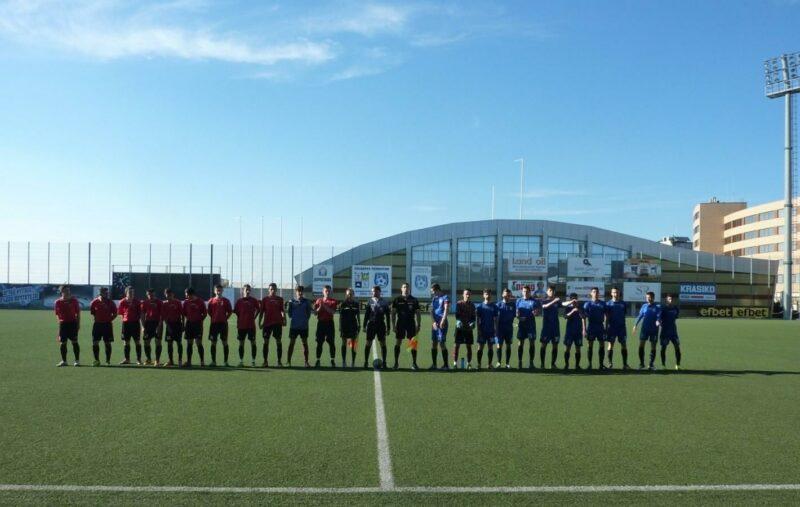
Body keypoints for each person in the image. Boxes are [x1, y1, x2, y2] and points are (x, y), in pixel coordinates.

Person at [391, 282, 421, 370]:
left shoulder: (414, 300)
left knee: (412, 343)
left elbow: (418, 314)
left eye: (407, 287)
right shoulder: (397, 299)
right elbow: (393, 314)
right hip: (400, 323)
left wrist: (418, 325)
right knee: (398, 342)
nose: (406, 289)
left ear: (409, 289)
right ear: (401, 289)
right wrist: (393, 325)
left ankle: (414, 363)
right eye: (404, 287)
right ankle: (396, 363)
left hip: (411, 323)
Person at [363, 285, 391, 369]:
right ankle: (366, 362)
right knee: (368, 343)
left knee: (383, 343)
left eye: (375, 291)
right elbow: (366, 315)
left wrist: (388, 327)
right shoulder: (369, 301)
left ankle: (384, 362)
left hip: (381, 325)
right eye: (372, 291)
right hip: (371, 325)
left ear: (379, 292)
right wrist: (364, 325)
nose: (373, 293)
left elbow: (388, 316)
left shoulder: (384, 302)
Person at [259, 282, 286, 367]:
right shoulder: (265, 299)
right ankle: (265, 361)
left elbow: (282, 311)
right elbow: (261, 312)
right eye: (271, 289)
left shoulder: (280, 299)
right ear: (268, 290)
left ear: (276, 290)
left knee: (278, 341)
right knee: (265, 342)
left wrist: (284, 319)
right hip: (267, 323)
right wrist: (259, 322)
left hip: (277, 323)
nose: (273, 291)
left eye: (274, 289)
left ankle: (279, 362)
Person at [54, 284, 81, 367]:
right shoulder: (58, 302)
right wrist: (60, 324)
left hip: (73, 324)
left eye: (68, 290)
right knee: (63, 343)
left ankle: (77, 361)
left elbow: (78, 313)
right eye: (66, 290)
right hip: (63, 324)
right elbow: (57, 314)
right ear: (61, 291)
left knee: (74, 342)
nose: (68, 292)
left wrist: (78, 324)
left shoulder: (74, 300)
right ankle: (64, 361)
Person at [234, 284, 260, 367]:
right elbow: (236, 312)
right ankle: (241, 361)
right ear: (243, 290)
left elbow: (258, 309)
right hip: (241, 326)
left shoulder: (254, 300)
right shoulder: (239, 301)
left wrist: (254, 317)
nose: (248, 291)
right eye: (246, 290)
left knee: (253, 343)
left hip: (251, 326)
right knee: (241, 343)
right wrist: (241, 318)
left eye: (249, 290)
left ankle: (253, 361)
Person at [632, 291, 659, 371]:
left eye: (649, 297)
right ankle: (641, 364)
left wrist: (658, 321)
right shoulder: (644, 306)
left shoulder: (657, 307)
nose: (648, 299)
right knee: (641, 345)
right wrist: (635, 325)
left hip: (654, 330)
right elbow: (640, 316)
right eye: (647, 297)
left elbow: (659, 316)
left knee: (653, 346)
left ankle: (651, 364)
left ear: (653, 298)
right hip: (644, 329)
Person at [89, 287, 116, 366]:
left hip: (107, 325)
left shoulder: (110, 302)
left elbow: (115, 313)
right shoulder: (94, 302)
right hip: (97, 325)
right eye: (105, 292)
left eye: (107, 292)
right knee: (95, 342)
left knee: (107, 343)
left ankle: (108, 361)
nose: (107, 294)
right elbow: (93, 312)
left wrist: (109, 319)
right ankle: (97, 360)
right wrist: (98, 319)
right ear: (100, 293)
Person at [515, 285, 541, 369]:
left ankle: (531, 363)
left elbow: (537, 313)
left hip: (531, 326)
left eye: (527, 291)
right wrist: (519, 317)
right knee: (520, 343)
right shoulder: (519, 301)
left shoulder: (534, 301)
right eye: (524, 291)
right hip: (522, 326)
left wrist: (536, 313)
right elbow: (517, 313)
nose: (525, 293)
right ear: (522, 292)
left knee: (532, 343)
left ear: (530, 292)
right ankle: (520, 362)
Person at [286, 285, 312, 368]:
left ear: (303, 292)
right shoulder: (291, 301)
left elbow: (308, 314)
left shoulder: (307, 302)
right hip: (294, 326)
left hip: (304, 326)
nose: (300, 293)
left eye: (301, 291)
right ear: (296, 292)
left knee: (305, 343)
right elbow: (289, 314)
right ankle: (288, 362)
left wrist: (304, 320)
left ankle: (306, 362)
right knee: (291, 343)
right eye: (298, 291)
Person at [207, 284, 232, 367]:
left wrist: (225, 318)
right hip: (214, 324)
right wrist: (214, 318)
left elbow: (230, 311)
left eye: (220, 290)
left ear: (222, 291)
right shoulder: (211, 301)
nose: (219, 291)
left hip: (223, 324)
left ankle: (226, 362)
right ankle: (213, 361)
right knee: (213, 343)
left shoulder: (226, 301)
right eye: (217, 290)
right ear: (214, 291)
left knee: (224, 342)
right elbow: (209, 312)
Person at [604, 287, 629, 370]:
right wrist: (605, 327)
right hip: (612, 328)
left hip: (622, 328)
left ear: (619, 293)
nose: (616, 294)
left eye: (617, 292)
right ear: (611, 293)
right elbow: (606, 317)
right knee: (610, 345)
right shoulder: (608, 304)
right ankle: (610, 364)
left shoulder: (623, 303)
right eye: (614, 292)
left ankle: (625, 364)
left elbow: (624, 314)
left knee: (624, 344)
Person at [313, 285, 338, 368]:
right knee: (319, 343)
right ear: (323, 292)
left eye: (329, 291)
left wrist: (324, 306)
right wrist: (320, 307)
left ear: (331, 292)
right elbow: (315, 313)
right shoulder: (318, 300)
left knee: (331, 343)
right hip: (321, 324)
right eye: (326, 291)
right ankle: (318, 360)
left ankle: (332, 360)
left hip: (329, 324)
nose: (327, 292)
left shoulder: (333, 301)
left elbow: (332, 312)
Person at [182, 287, 207, 367]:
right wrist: (184, 323)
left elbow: (205, 313)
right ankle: (189, 361)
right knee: (189, 343)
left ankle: (202, 361)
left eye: (187, 295)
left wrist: (200, 321)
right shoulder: (186, 302)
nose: (186, 296)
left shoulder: (200, 301)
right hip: (189, 324)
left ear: (191, 294)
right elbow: (184, 314)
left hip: (198, 325)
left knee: (198, 343)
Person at [582, 287, 606, 370]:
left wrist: (606, 326)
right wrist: (584, 329)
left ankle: (601, 364)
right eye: (594, 292)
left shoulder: (603, 304)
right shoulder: (587, 304)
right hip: (591, 327)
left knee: (602, 345)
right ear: (591, 293)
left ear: (599, 294)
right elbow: (584, 317)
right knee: (590, 345)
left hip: (600, 327)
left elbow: (606, 315)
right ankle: (590, 364)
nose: (595, 293)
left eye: (597, 292)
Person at [118, 286, 143, 365]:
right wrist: (124, 320)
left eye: (133, 292)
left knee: (137, 342)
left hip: (135, 323)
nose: (132, 294)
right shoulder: (122, 302)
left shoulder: (137, 302)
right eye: (130, 292)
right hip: (126, 324)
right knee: (126, 342)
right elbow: (121, 313)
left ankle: (139, 360)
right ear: (126, 293)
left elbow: (140, 314)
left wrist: (142, 325)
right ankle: (127, 359)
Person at [475, 288, 498, 369]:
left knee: (490, 347)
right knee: (480, 347)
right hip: (482, 331)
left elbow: (496, 319)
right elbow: (478, 320)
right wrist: (478, 330)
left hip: (491, 331)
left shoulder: (494, 306)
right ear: (483, 295)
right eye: (486, 294)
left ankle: (489, 364)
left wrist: (496, 330)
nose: (488, 295)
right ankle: (479, 364)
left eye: (489, 294)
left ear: (491, 295)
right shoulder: (480, 307)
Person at [657, 293, 681, 370]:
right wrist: (658, 322)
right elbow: (659, 317)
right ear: (666, 300)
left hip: (673, 332)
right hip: (665, 332)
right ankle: (663, 365)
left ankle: (677, 365)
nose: (671, 300)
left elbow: (675, 317)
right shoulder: (663, 308)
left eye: (672, 299)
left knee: (677, 347)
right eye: (669, 299)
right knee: (663, 348)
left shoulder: (676, 309)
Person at [453, 289, 477, 369]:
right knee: (456, 346)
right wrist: (458, 321)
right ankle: (455, 363)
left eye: (469, 294)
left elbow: (473, 317)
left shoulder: (472, 305)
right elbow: (457, 315)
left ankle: (469, 363)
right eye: (466, 294)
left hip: (468, 329)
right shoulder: (459, 303)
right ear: (463, 295)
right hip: (459, 328)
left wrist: (473, 322)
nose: (468, 296)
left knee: (469, 346)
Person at [539, 287, 561, 369]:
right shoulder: (544, 300)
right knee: (543, 345)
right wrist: (554, 301)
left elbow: (563, 304)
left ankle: (553, 364)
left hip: (555, 327)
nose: (552, 292)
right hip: (546, 327)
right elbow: (544, 306)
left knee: (555, 345)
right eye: (550, 290)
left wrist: (571, 301)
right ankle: (542, 364)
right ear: (547, 292)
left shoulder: (557, 302)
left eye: (553, 291)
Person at [429, 283, 450, 370]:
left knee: (442, 343)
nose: (433, 294)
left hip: (442, 323)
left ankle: (446, 365)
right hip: (435, 324)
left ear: (437, 290)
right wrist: (433, 322)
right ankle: (434, 365)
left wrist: (443, 320)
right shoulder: (434, 298)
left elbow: (446, 309)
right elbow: (431, 311)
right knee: (434, 343)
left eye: (433, 292)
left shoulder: (445, 297)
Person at [140, 288, 163, 366]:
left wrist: (159, 326)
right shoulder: (144, 302)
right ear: (147, 295)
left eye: (152, 294)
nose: (150, 296)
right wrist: (143, 327)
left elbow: (161, 315)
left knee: (158, 342)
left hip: (157, 323)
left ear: (154, 294)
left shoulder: (159, 302)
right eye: (149, 294)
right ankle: (149, 359)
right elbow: (142, 315)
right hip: (148, 324)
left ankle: (157, 360)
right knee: (146, 342)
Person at [339, 288, 361, 367]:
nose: (350, 295)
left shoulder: (356, 304)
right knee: (344, 343)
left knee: (353, 344)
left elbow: (358, 315)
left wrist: (359, 325)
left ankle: (353, 362)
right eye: (348, 294)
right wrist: (340, 327)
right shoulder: (343, 304)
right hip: (345, 326)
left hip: (353, 326)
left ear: (353, 295)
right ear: (346, 295)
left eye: (351, 294)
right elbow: (341, 317)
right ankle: (344, 362)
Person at [162, 288, 184, 367]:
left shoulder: (178, 302)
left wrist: (183, 324)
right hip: (169, 325)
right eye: (167, 294)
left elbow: (182, 314)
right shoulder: (164, 304)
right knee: (169, 343)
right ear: (165, 295)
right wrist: (167, 325)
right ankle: (170, 361)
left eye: (170, 294)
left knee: (179, 343)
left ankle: (180, 360)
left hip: (177, 325)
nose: (169, 296)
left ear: (173, 294)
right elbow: (164, 316)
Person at [562, 293, 584, 370]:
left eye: (575, 299)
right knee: (567, 348)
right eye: (573, 299)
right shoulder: (568, 308)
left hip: (578, 331)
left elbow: (583, 317)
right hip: (569, 332)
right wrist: (572, 311)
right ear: (571, 300)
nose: (574, 301)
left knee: (578, 349)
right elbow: (565, 317)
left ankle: (577, 365)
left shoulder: (580, 307)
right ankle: (566, 365)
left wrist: (579, 311)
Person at [495, 288, 515, 368]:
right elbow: (495, 318)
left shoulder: (513, 305)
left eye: (509, 295)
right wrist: (495, 329)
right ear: (502, 295)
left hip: (509, 329)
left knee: (508, 345)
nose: (507, 297)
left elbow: (514, 315)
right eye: (506, 295)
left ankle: (507, 363)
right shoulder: (498, 305)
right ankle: (499, 362)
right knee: (499, 345)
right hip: (500, 329)